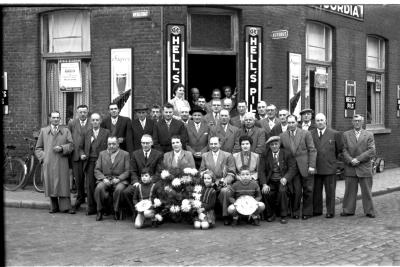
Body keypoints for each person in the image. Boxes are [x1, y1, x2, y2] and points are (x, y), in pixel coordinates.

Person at [35, 111, 75, 214]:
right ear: (50, 119)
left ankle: (66, 207)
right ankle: (54, 206)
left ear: (60, 119)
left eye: (58, 117)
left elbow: (71, 145)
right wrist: (45, 157)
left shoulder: (66, 131)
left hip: (62, 161)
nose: (56, 119)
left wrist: (62, 148)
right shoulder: (44, 131)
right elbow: (38, 148)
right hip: (49, 162)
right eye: (54, 117)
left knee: (63, 183)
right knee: (51, 183)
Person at [280, 115, 317, 220]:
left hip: (305, 166)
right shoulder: (282, 136)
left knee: (308, 190)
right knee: (296, 191)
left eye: (293, 122)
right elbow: (282, 152)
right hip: (292, 168)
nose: (291, 124)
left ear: (297, 122)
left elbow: (312, 150)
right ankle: (295, 212)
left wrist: (312, 166)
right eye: (289, 123)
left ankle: (307, 212)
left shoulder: (305, 134)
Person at [341, 114, 376, 218]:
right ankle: (348, 210)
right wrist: (350, 160)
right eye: (355, 121)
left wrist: (358, 159)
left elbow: (372, 151)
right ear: (352, 122)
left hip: (364, 167)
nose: (357, 123)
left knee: (367, 191)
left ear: (362, 122)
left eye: (359, 121)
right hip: (350, 166)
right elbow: (344, 150)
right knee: (349, 191)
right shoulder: (346, 134)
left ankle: (369, 211)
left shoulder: (369, 135)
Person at [122, 134, 163, 218]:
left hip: (153, 182)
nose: (145, 145)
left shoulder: (158, 154)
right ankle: (136, 212)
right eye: (143, 143)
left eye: (147, 143)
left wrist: (151, 181)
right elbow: (133, 171)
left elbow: (159, 172)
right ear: (141, 143)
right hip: (139, 182)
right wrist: (136, 182)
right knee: (126, 192)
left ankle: (155, 213)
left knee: (159, 191)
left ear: (151, 143)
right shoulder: (135, 154)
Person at [258, 136, 296, 224]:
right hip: (270, 181)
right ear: (269, 146)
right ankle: (270, 214)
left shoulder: (287, 153)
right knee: (266, 192)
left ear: (279, 144)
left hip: (282, 180)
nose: (274, 146)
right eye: (272, 145)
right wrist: (264, 184)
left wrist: (286, 178)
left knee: (282, 191)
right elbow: (261, 171)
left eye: (276, 144)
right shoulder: (265, 154)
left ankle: (284, 215)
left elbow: (292, 168)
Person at [311, 113, 343, 218]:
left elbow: (339, 150)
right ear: (315, 122)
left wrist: (333, 163)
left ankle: (330, 211)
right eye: (317, 120)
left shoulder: (335, 134)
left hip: (329, 167)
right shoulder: (310, 134)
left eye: (321, 120)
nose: (320, 122)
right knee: (316, 191)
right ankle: (317, 210)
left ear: (326, 121)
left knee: (330, 191)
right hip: (316, 167)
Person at [199, 136, 236, 225]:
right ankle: (206, 215)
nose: (213, 146)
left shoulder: (228, 155)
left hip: (223, 182)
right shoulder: (205, 155)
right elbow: (201, 171)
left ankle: (226, 216)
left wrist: (225, 180)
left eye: (215, 143)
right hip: (209, 182)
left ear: (220, 144)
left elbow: (232, 172)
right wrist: (207, 178)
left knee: (225, 191)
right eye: (211, 144)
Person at [94, 136, 131, 221]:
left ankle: (116, 211)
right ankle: (99, 210)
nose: (111, 146)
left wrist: (119, 179)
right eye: (109, 144)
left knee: (119, 189)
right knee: (99, 188)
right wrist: (103, 179)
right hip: (106, 178)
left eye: (113, 144)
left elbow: (128, 171)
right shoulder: (102, 154)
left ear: (118, 144)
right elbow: (97, 170)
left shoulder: (125, 154)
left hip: (119, 180)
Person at [79, 113, 110, 215]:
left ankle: (104, 208)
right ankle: (91, 208)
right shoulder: (86, 133)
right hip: (90, 162)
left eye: (97, 120)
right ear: (91, 121)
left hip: (103, 163)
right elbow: (81, 147)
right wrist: (82, 154)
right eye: (93, 120)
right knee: (90, 186)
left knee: (102, 185)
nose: (95, 122)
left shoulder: (106, 132)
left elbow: (110, 148)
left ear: (100, 121)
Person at [68, 104, 91, 212]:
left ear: (87, 112)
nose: (82, 114)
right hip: (76, 155)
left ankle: (90, 199)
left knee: (89, 178)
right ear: (77, 113)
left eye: (84, 112)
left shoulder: (92, 122)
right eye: (80, 112)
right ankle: (80, 197)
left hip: (89, 156)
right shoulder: (72, 123)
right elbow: (69, 138)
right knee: (78, 178)